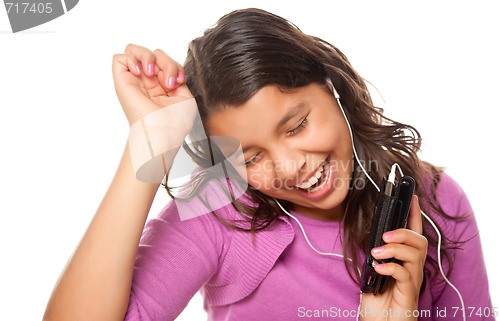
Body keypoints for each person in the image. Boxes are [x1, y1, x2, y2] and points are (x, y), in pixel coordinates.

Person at [43, 8, 494, 321]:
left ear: (332, 87)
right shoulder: (218, 208)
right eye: (251, 157)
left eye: (296, 125)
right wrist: (147, 146)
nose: (290, 167)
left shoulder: (434, 201)